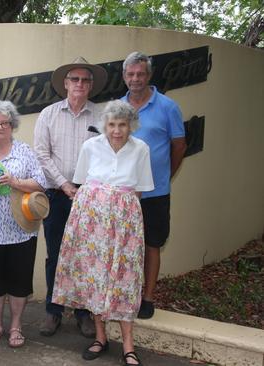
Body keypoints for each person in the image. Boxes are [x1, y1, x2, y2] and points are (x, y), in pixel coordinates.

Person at [52, 100, 154, 366]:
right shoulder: (90, 146)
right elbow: (83, 182)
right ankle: (100, 338)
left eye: (122, 125)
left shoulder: (141, 149)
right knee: (95, 276)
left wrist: (121, 214)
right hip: (92, 219)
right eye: (112, 124)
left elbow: (140, 190)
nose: (117, 130)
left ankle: (128, 347)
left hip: (125, 221)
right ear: (104, 125)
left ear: (131, 126)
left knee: (125, 280)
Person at [33, 57, 108, 338]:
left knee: (86, 256)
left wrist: (87, 188)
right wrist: (64, 185)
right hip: (56, 193)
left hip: (91, 195)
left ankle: (82, 313)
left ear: (91, 85)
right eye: (74, 79)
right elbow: (41, 154)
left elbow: (107, 155)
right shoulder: (48, 114)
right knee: (55, 255)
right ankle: (53, 312)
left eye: (84, 80)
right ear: (65, 84)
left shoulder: (101, 117)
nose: (79, 84)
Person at [121, 51, 186, 320]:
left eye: (140, 74)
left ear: (149, 75)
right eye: (131, 74)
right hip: (123, 193)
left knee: (152, 244)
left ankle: (147, 298)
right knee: (123, 245)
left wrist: (163, 177)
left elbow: (179, 146)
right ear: (124, 76)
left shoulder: (168, 107)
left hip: (155, 193)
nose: (135, 79)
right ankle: (125, 294)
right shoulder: (118, 107)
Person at [0, 101, 48, 348]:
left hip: (20, 229)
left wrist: (16, 181)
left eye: (4, 123)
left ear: (12, 125)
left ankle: (16, 326)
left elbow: (40, 183)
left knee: (19, 281)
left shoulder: (25, 151)